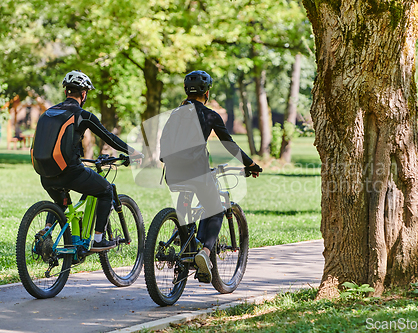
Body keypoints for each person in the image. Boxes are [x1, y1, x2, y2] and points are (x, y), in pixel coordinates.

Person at [160, 70, 262, 283]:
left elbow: (164, 145)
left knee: (190, 199)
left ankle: (183, 234)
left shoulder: (174, 114)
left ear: (187, 91)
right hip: (198, 172)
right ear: (206, 93)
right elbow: (228, 144)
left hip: (173, 174)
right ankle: (205, 252)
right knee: (215, 208)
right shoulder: (210, 115)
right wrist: (250, 164)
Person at [36, 70, 141, 250]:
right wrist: (133, 152)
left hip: (45, 174)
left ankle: (47, 232)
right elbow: (109, 138)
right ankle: (99, 239)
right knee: (107, 190)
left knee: (61, 202)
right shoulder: (82, 114)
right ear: (84, 94)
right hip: (71, 173)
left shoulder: (48, 113)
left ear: (65, 92)